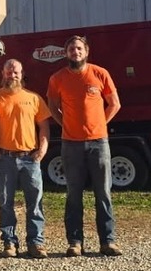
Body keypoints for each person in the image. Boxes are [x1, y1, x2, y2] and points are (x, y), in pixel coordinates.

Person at [47, 35, 123, 257]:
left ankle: (107, 241)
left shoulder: (100, 73)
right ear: (66, 52)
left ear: (86, 51)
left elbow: (115, 104)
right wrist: (66, 125)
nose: (75, 52)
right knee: (73, 194)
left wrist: (100, 124)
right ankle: (75, 242)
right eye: (71, 49)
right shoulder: (57, 78)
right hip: (71, 144)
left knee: (103, 193)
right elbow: (52, 106)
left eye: (79, 48)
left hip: (99, 143)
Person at [0, 58, 51, 259]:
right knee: (5, 202)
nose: (12, 75)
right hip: (4, 158)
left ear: (22, 73)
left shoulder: (33, 98)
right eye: (8, 72)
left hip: (29, 158)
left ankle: (36, 243)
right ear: (3, 73)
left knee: (34, 202)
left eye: (15, 72)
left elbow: (43, 127)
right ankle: (9, 242)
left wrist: (41, 150)